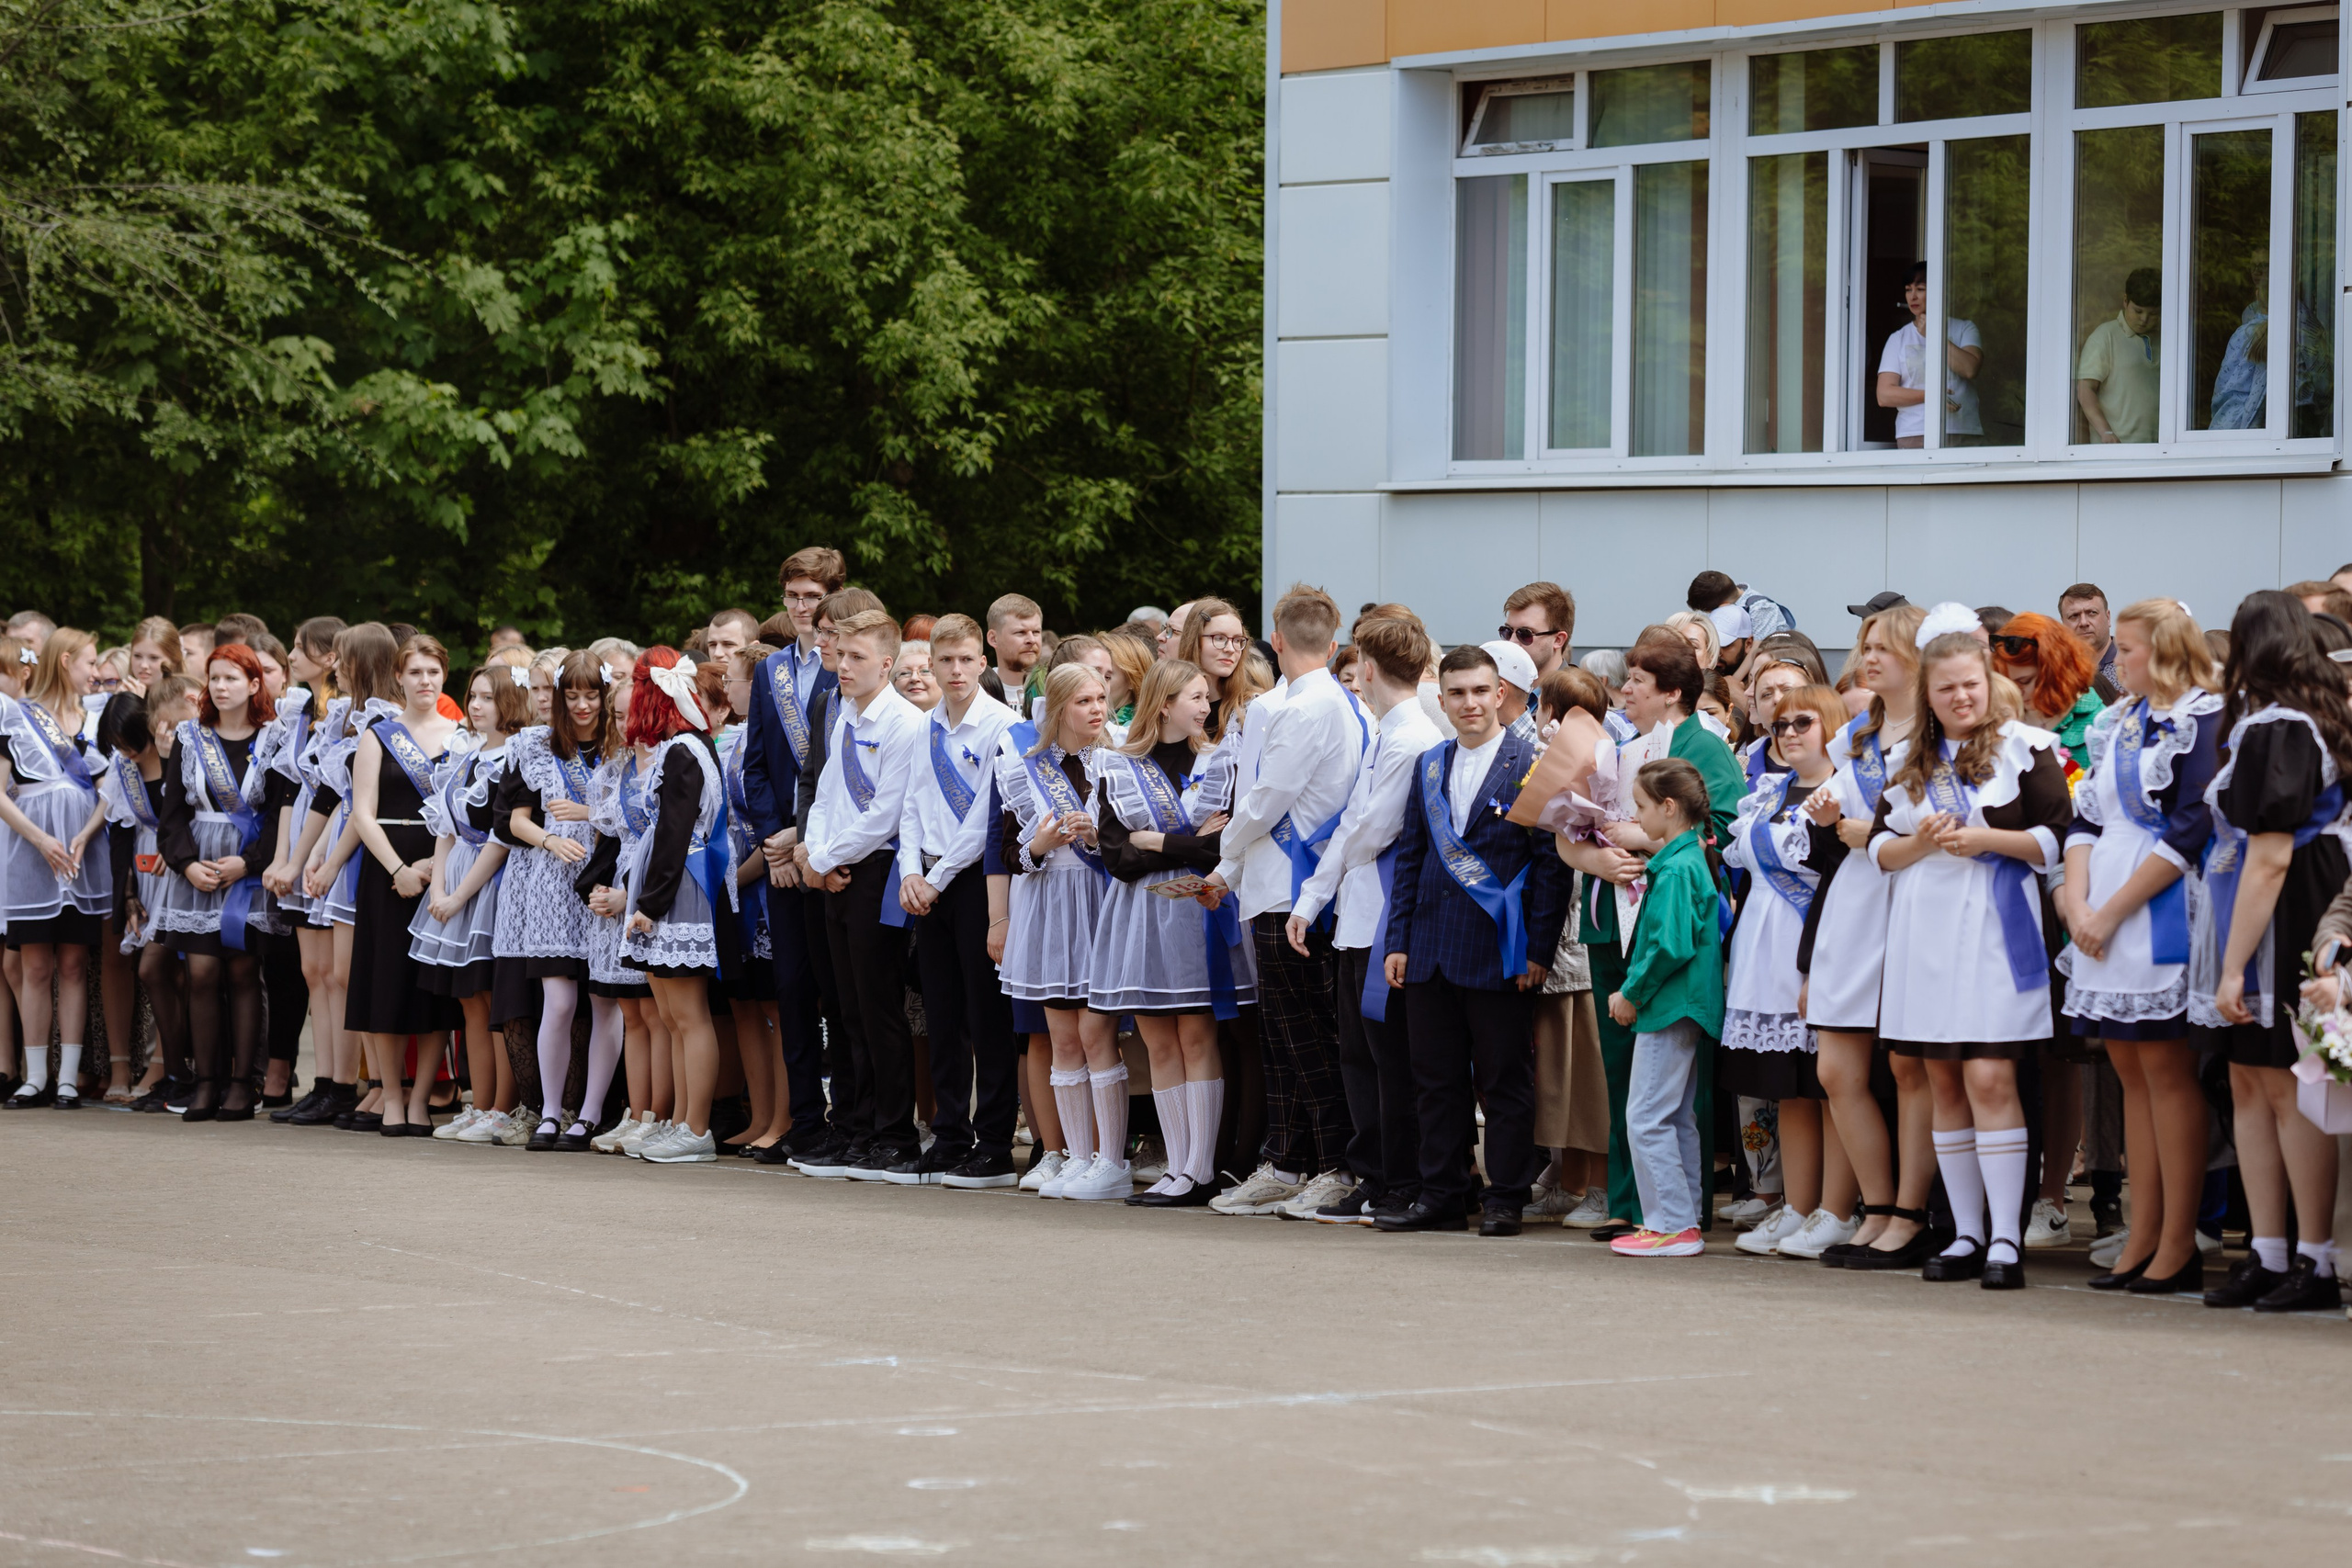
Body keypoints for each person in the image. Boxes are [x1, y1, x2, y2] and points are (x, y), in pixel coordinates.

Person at [1871, 618, 2074, 1292]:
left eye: (1971, 684)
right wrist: (1924, 842)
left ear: (1988, 682)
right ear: (1927, 693)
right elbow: (1879, 849)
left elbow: (2059, 839)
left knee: (1991, 1077)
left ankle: (2008, 1238)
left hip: (1997, 927)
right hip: (1925, 932)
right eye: (1947, 688)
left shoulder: (2030, 748)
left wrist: (1988, 838)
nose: (1962, 698)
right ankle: (1964, 1231)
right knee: (1945, 1082)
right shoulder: (1911, 764)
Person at [2058, 599, 2224, 1295]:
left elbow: (2190, 828)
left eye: (2124, 649)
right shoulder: (2115, 720)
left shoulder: (2203, 718)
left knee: (2167, 1071)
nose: (2112, 660)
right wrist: (2074, 903)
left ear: (2161, 651)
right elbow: (2085, 816)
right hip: (2102, 902)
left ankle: (2178, 1239)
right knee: (2130, 1072)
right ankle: (2144, 1229)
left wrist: (2111, 910)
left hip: (2159, 903)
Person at [1377, 643, 1567, 1236]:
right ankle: (1443, 1191)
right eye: (1457, 692)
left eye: (1480, 691)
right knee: (1434, 1081)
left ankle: (1506, 1194)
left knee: (1504, 1079)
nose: (1469, 703)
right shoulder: (1429, 764)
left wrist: (1537, 951)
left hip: (1499, 950)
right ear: (1442, 698)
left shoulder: (1532, 765)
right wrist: (1398, 939)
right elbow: (1411, 857)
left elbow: (1551, 869)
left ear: (1500, 694)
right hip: (1430, 948)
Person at [2196, 591, 2346, 1312]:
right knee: (2253, 1084)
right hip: (2268, 906)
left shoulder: (2284, 725)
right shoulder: (2285, 717)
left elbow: (2270, 855)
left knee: (2292, 1085)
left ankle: (2313, 1258)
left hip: (2291, 910)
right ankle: (2269, 1249)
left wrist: (2232, 963)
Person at [1202, 584, 1365, 1219]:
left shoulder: (1307, 707)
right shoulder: (1335, 701)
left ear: (1275, 635)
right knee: (1284, 1034)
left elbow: (1267, 798)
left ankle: (1333, 1164)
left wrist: (1226, 856)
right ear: (1332, 639)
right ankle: (1290, 1158)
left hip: (1289, 887)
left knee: (1303, 1035)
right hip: (1286, 883)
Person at [1290, 614, 1444, 1224]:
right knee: (1360, 1054)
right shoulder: (1387, 730)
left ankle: (1398, 1178)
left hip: (1388, 918)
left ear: (1371, 670)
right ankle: (1375, 1170)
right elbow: (1355, 818)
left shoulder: (1412, 736)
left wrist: (1319, 887)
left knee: (1391, 1060)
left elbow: (1372, 827)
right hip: (1359, 914)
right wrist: (1311, 898)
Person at [1800, 603, 1935, 1269]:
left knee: (1912, 1065)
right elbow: (1839, 826)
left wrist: (1872, 833)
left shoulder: (1942, 733)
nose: (1869, 656)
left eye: (1883, 645)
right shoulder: (1854, 734)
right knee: (1836, 1066)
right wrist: (1830, 818)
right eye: (1865, 645)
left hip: (1915, 895)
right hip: (1856, 897)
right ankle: (1876, 1204)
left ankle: (1910, 1213)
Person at [1091, 658, 1247, 1207]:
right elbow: (1117, 857)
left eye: (1207, 696)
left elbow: (1226, 846)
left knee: (1198, 1036)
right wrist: (1188, 841)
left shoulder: (1222, 761)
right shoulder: (1117, 765)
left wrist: (1157, 841)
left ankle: (1200, 1168)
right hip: (1143, 916)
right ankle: (1176, 1166)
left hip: (1201, 910)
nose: (1207, 707)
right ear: (1164, 705)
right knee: (1158, 1040)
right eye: (1196, 697)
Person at [1724, 684, 1858, 1260]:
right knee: (1791, 1093)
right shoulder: (1768, 791)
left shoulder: (1845, 794)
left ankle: (1837, 1210)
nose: (1791, 732)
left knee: (1830, 1089)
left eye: (1805, 721)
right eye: (1780, 724)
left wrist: (1815, 966)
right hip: (1764, 955)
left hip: (1819, 952)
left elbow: (1838, 884)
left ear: (1832, 726)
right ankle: (1799, 1209)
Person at [797, 609, 928, 1180]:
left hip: (875, 873)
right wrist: (816, 860)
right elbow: (826, 795)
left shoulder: (904, 723)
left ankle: (895, 1133)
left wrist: (822, 859)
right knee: (846, 1007)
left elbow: (885, 814)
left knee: (879, 1009)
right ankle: (857, 1124)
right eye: (839, 654)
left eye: (856, 657)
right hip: (836, 873)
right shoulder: (844, 714)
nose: (843, 666)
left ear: (886, 663)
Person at [896, 614, 1023, 1189]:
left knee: (985, 1015)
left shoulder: (1003, 726)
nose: (953, 671)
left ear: (982, 662)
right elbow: (911, 805)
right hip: (927, 883)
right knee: (942, 1014)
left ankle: (994, 1143)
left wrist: (937, 876)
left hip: (975, 882)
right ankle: (950, 1134)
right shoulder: (925, 727)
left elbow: (987, 820)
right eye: (942, 661)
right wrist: (908, 872)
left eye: (964, 660)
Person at [996, 661, 1121, 1198]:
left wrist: (1097, 840)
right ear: (1058, 709)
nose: (1096, 710)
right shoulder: (1026, 768)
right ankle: (1075, 1156)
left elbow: (1135, 847)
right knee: (1063, 1037)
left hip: (1100, 902)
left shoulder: (1120, 763)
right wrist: (1037, 848)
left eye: (1101, 699)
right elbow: (1006, 849)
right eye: (1083, 701)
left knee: (1097, 1034)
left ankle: (1111, 1159)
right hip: (1048, 905)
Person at [742, 546, 846, 1165]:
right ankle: (804, 1120)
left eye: (813, 597)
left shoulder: (850, 666)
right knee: (792, 990)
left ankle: (852, 1118)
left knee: (839, 991)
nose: (802, 608)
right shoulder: (771, 671)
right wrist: (774, 842)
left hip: (831, 850)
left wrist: (804, 839)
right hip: (783, 856)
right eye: (793, 596)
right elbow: (756, 764)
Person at [1604, 758, 1726, 1257]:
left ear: (1669, 808)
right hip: (1685, 1004)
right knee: (1673, 1116)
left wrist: (1631, 993)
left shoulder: (1676, 867)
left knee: (1648, 1115)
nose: (1637, 817)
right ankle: (1684, 1219)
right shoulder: (1686, 859)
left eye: (1641, 807)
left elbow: (1667, 946)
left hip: (1669, 1004)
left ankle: (1671, 1224)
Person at [491, 649, 610, 1142]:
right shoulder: (535, 745)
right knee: (559, 1002)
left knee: (605, 1001)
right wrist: (549, 837)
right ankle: (549, 1110)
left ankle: (592, 1112)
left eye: (592, 695)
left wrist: (589, 815)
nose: (583, 705)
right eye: (572, 695)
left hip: (607, 877)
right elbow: (514, 819)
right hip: (552, 884)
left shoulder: (622, 743)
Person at [616, 648, 729, 1165]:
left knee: (688, 1015)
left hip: (680, 886)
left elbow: (674, 834)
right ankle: (682, 1119)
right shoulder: (683, 747)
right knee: (671, 1013)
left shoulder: (684, 751)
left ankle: (697, 1126)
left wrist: (650, 904)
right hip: (670, 884)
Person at [345, 635, 462, 1134]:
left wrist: (434, 868)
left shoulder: (461, 735)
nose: (424, 681)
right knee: (385, 987)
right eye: (415, 672)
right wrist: (399, 870)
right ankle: (391, 1097)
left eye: (433, 672)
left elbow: (465, 814)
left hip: (443, 868)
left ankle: (421, 1099)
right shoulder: (377, 735)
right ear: (398, 676)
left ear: (444, 677)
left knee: (431, 993)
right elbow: (362, 813)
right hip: (387, 871)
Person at [0, 628, 112, 1110]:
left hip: (80, 859)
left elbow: (112, 789)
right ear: (66, 661)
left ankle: (67, 1078)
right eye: (89, 662)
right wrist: (41, 838)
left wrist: (86, 833)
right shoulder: (16, 715)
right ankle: (35, 1076)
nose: (96, 672)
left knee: (72, 964)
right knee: (36, 965)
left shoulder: (97, 716)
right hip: (32, 857)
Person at [416, 665, 524, 1143]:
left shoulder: (515, 757)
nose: (476, 705)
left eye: (487, 697)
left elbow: (501, 837)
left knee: (491, 999)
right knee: (468, 1003)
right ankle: (479, 1104)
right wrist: (439, 890)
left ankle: (502, 1107)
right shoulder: (465, 754)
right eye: (473, 696)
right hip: (456, 878)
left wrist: (460, 894)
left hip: (491, 886)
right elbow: (445, 829)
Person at [1876, 261, 1981, 447]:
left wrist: (1934, 335)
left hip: (1962, 429)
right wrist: (1931, 395)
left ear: (1941, 291)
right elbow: (1884, 395)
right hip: (1914, 431)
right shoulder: (1898, 338)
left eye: (1921, 289)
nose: (1913, 296)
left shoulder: (1964, 328)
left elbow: (1970, 369)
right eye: (1908, 290)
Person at [2076, 266, 2161, 444]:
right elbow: (2085, 390)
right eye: (2138, 311)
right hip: (2116, 453)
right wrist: (2105, 432)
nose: (2144, 319)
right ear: (2125, 300)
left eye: (2153, 314)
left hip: (2158, 450)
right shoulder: (2105, 336)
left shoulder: (2166, 342)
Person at [1498, 581, 1577, 682]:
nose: (1512, 642)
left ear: (1558, 640)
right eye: (1507, 631)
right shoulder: (1497, 690)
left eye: (1525, 634)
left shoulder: (1577, 696)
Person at [986, 592, 1045, 708]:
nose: (1032, 640)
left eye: (1036, 632)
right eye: (1020, 632)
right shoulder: (978, 692)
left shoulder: (1056, 689)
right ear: (993, 639)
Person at [2059, 582, 2120, 695]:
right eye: (2074, 616)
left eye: (2092, 613)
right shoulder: (2056, 671)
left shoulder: (2131, 665)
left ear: (2108, 617)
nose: (2083, 622)